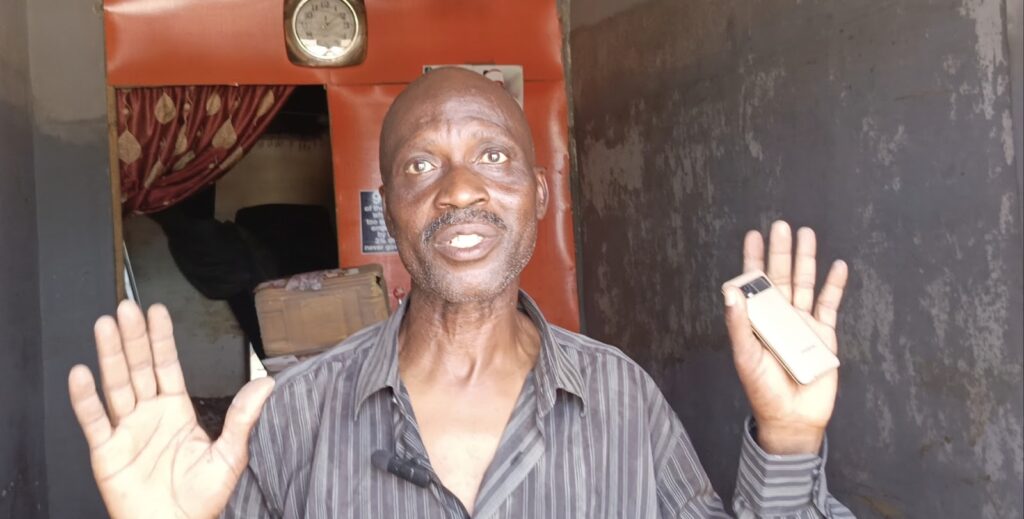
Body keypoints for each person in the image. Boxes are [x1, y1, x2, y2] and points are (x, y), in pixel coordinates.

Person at [68, 68, 854, 518]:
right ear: (389, 209)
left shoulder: (625, 400)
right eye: (419, 167)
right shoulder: (292, 417)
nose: (458, 190)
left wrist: (787, 441)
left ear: (539, 196)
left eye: (494, 157)